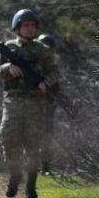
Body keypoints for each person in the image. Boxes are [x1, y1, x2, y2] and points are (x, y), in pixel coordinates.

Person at [0, 9, 60, 198]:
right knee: (6, 137)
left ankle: (31, 186)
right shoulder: (8, 47)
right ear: (18, 27)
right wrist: (8, 68)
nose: (29, 29)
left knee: (33, 144)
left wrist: (46, 82)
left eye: (32, 25)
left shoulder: (43, 50)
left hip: (35, 102)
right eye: (25, 25)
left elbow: (55, 71)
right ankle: (14, 173)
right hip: (13, 100)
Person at [36, 33, 58, 175]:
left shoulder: (52, 67)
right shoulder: (34, 65)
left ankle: (45, 166)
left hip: (47, 105)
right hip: (31, 105)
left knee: (46, 136)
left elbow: (56, 84)